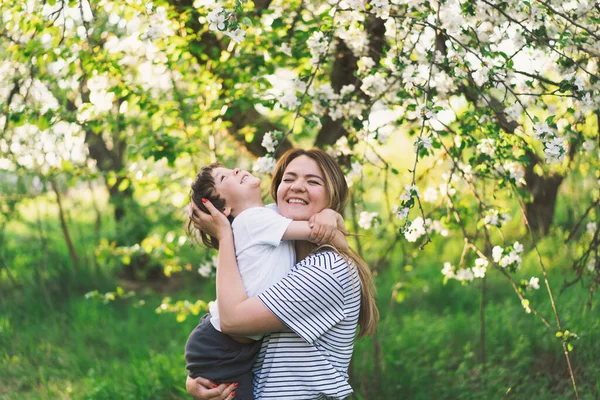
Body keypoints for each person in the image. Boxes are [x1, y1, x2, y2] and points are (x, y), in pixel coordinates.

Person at [187, 149, 379, 400]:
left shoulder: (327, 270)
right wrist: (201, 378)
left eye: (313, 181)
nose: (297, 187)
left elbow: (232, 321)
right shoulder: (275, 235)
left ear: (333, 194)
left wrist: (225, 236)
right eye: (288, 179)